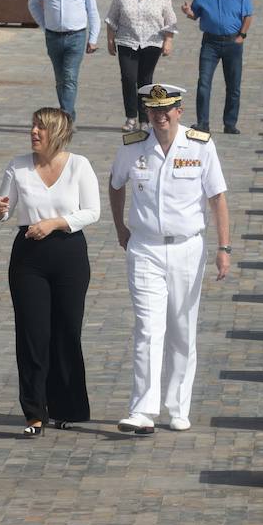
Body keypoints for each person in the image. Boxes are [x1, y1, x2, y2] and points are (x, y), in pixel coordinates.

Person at [108, 84, 232, 434]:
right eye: (153, 110)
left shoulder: (201, 146)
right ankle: (142, 409)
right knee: (148, 328)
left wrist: (224, 248)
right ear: (147, 113)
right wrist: (120, 227)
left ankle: (177, 405)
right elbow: (115, 183)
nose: (160, 117)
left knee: (181, 329)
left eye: (167, 110)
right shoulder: (133, 148)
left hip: (187, 248)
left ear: (179, 110)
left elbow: (217, 198)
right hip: (145, 247)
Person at [0, 108, 99, 437]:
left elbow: (92, 211)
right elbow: (3, 212)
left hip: (69, 254)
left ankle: (68, 408)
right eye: (33, 126)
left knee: (67, 332)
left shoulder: (79, 165)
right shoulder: (18, 165)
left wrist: (55, 223)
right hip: (29, 259)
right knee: (33, 335)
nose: (34, 132)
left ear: (58, 133)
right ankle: (34, 412)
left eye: (41, 127)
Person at [181, 0, 254, 135]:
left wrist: (241, 36)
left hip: (232, 42)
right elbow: (196, 14)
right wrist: (188, 12)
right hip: (210, 43)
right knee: (204, 82)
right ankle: (203, 123)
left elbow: (248, 14)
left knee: (233, 84)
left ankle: (230, 123)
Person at [105, 0, 179, 132]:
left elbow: (170, 20)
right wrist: (110, 39)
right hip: (127, 41)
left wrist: (168, 40)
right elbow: (111, 18)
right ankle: (131, 117)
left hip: (151, 42)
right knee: (129, 79)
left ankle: (145, 119)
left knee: (145, 81)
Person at [28, 0, 100, 121]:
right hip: (53, 37)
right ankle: (66, 112)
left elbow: (92, 10)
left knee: (69, 76)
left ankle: (67, 119)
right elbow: (33, 4)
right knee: (60, 79)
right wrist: (45, 24)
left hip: (76, 36)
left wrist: (93, 38)